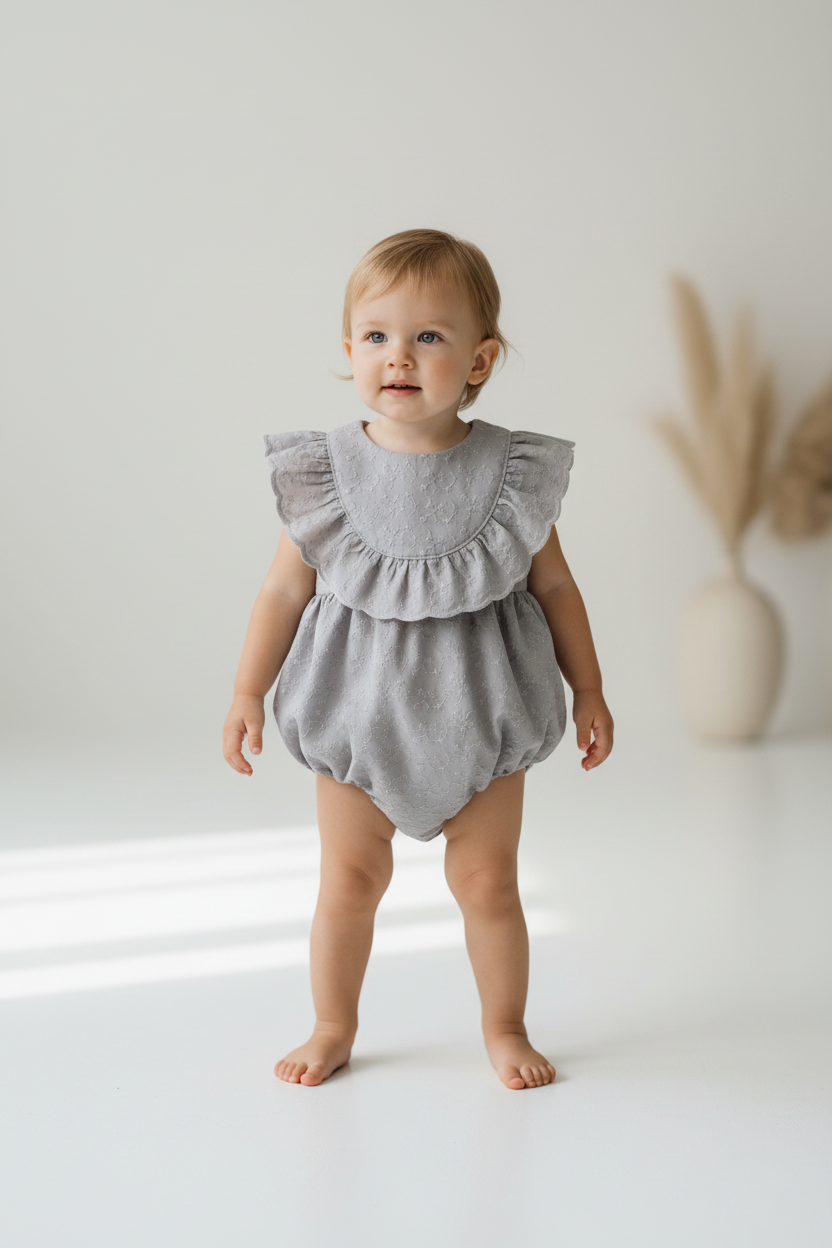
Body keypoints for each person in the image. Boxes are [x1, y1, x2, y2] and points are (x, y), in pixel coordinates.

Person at [222, 228, 614, 1090]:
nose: (399, 356)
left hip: (481, 714)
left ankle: (505, 1027)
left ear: (480, 359)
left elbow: (557, 591)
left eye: (429, 337)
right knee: (349, 883)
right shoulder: (328, 473)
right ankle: (333, 1022)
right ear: (349, 348)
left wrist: (588, 686)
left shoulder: (509, 473)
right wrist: (249, 690)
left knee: (489, 884)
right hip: (356, 718)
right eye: (377, 336)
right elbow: (283, 593)